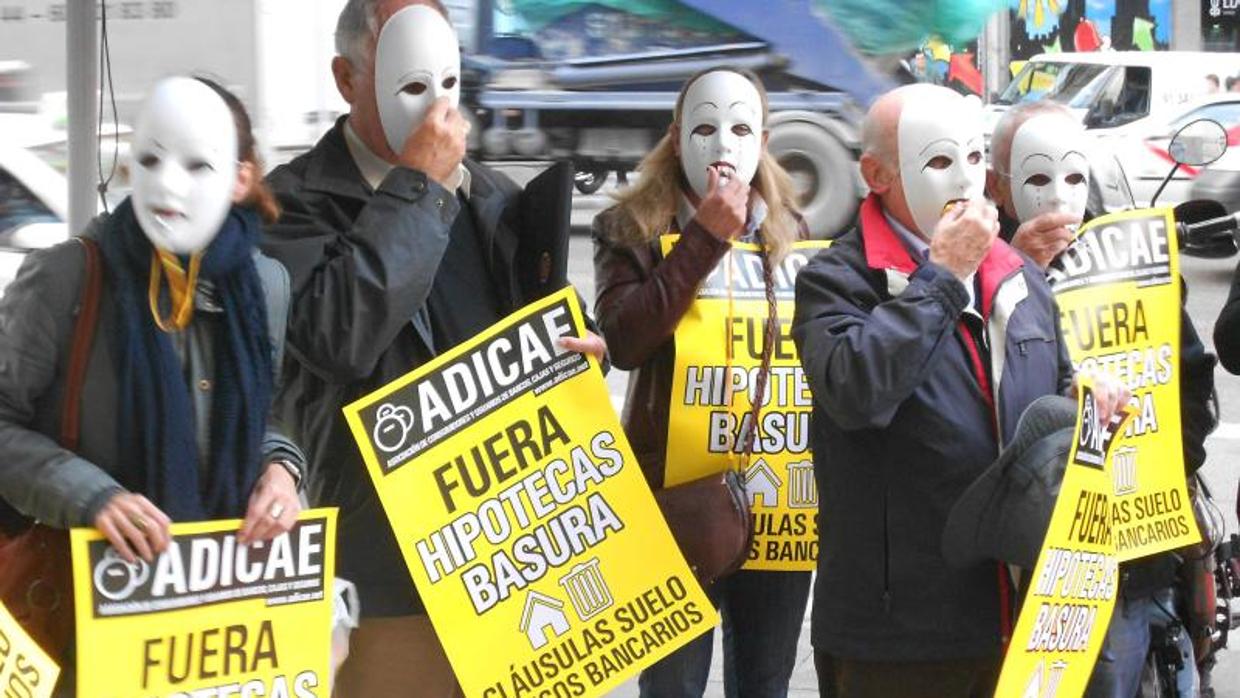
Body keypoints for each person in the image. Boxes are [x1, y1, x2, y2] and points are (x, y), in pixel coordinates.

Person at [260, 2, 603, 695]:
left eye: (449, 84)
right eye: (413, 86)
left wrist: (583, 342)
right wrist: (417, 187)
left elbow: (537, 329)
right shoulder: (290, 203)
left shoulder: (493, 197)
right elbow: (338, 335)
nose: (438, 109)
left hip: (507, 559)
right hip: (385, 567)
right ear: (347, 78)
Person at [791, 84, 1126, 697]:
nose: (965, 184)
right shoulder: (836, 280)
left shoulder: (1018, 273)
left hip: (1024, 621)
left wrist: (1086, 403)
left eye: (975, 160)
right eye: (941, 162)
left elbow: (1046, 398)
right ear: (877, 175)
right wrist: (943, 276)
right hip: (902, 635)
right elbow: (856, 391)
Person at [0, 75, 304, 684]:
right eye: (149, 160)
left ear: (240, 179)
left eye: (198, 165)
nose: (167, 185)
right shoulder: (67, 279)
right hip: (85, 622)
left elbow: (264, 419)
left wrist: (282, 471)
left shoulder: (264, 287)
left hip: (218, 624)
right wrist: (91, 496)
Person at [593, 67, 810, 698]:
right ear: (676, 136)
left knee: (765, 680)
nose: (723, 147)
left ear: (763, 139)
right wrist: (703, 239)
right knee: (674, 684)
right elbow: (629, 339)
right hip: (673, 493)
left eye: (741, 129)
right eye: (706, 129)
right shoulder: (627, 227)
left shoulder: (788, 227)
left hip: (773, 494)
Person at [988, 100, 1217, 698]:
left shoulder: (1136, 257)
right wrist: (1014, 275)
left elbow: (1191, 384)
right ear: (1000, 186)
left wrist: (1162, 469)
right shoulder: (976, 264)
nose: (1058, 196)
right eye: (1036, 176)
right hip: (1038, 555)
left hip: (1144, 549)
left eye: (1072, 174)